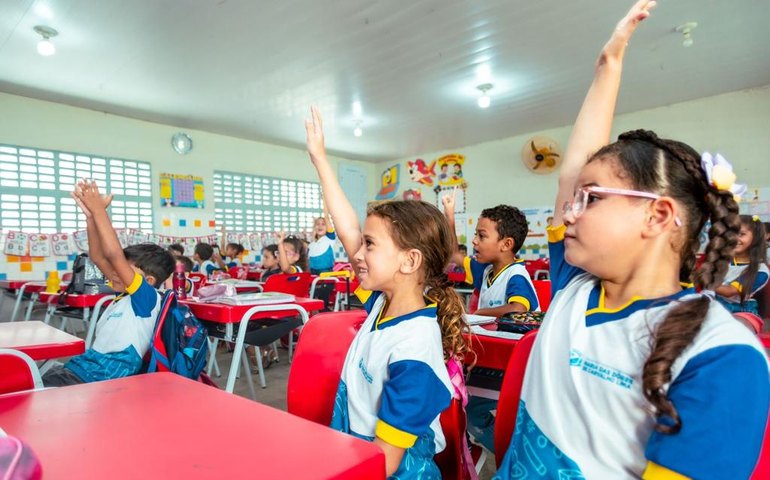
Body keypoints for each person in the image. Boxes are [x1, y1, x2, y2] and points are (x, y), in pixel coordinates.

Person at [495, 2, 769, 478]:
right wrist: (608, 69)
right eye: (574, 198)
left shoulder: (722, 353)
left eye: (593, 198)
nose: (570, 212)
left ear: (658, 214)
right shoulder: (575, 287)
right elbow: (572, 169)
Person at [306, 105, 472, 478]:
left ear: (409, 261)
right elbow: (347, 226)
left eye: (369, 245)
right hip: (357, 459)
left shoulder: (413, 351)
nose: (356, 254)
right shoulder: (384, 302)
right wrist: (320, 160)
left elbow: (386, 462)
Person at [42, 179, 175, 386]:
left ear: (148, 280)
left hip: (103, 375)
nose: (113, 272)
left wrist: (99, 212)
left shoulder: (146, 298)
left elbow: (113, 255)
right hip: (86, 368)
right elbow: (99, 257)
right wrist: (91, 217)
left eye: (123, 268)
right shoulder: (123, 294)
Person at [444, 191, 539, 317]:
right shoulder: (485, 270)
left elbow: (518, 309)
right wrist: (450, 216)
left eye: (482, 236)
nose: (474, 241)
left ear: (506, 244)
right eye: (475, 235)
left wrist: (479, 313)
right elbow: (455, 254)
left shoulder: (516, 274)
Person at [715, 215, 768, 315]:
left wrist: (703, 281)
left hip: (740, 310)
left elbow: (729, 292)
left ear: (756, 238)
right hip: (717, 303)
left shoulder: (761, 271)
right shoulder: (724, 259)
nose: (734, 239)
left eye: (741, 234)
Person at [308, 206, 337, 274]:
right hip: (312, 273)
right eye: (317, 224)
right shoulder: (312, 244)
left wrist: (324, 197)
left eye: (323, 224)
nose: (320, 226)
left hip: (326, 274)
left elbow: (326, 217)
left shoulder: (329, 238)